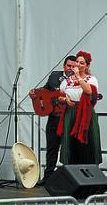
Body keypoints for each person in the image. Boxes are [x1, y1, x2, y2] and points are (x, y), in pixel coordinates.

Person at [29, 55, 76, 185]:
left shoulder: (79, 79)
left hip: (69, 118)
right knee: (52, 148)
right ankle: (48, 177)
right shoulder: (55, 76)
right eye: (68, 66)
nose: (70, 68)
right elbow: (45, 90)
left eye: (73, 66)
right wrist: (34, 94)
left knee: (69, 150)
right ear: (64, 66)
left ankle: (70, 180)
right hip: (54, 118)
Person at [57, 51, 101, 165]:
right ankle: (71, 172)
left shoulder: (91, 79)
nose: (78, 64)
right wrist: (65, 100)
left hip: (85, 114)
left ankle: (89, 171)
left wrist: (78, 76)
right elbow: (59, 96)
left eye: (82, 63)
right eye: (77, 62)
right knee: (70, 144)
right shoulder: (67, 81)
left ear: (87, 66)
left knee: (87, 143)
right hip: (70, 113)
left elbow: (89, 91)